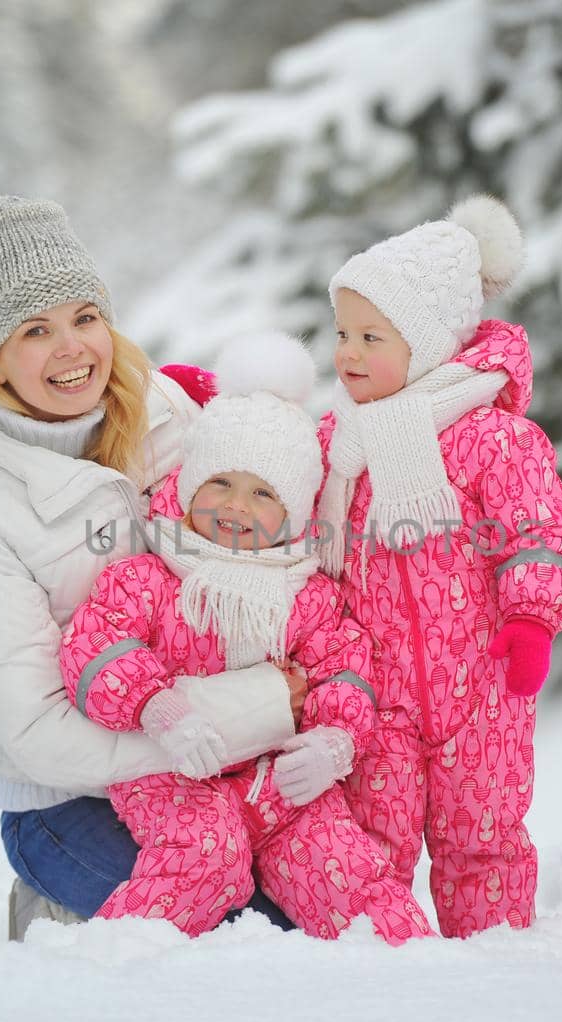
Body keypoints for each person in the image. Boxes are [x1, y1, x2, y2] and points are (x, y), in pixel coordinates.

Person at [0, 193, 302, 937]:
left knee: (315, 907)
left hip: (222, 774)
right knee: (242, 933)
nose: (73, 350)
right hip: (69, 800)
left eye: (85, 318)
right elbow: (37, 729)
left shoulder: (159, 407)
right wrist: (260, 708)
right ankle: (58, 908)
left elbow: (266, 524)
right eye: (36, 329)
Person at [58, 334, 434, 944]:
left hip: (282, 786)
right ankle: (107, 966)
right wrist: (155, 705)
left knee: (342, 867)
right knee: (205, 853)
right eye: (220, 483)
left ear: (293, 512)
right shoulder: (151, 575)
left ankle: (416, 973)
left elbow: (345, 669)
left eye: (263, 493)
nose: (236, 506)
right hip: (174, 776)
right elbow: (94, 646)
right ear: (188, 489)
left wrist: (335, 745)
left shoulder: (305, 594)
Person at [315, 196, 562, 937]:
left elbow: (538, 528)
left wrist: (532, 617)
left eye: (372, 336)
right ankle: (386, 977)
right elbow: (275, 496)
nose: (348, 353)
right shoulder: (342, 448)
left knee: (482, 844)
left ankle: (492, 981)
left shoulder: (491, 439)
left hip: (482, 691)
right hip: (381, 697)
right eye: (342, 333)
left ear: (429, 343)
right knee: (374, 841)